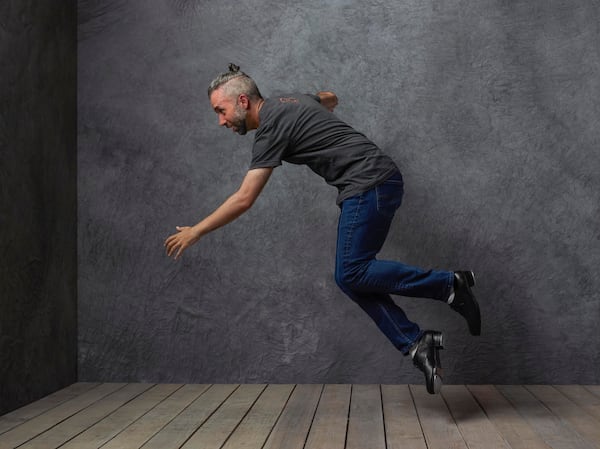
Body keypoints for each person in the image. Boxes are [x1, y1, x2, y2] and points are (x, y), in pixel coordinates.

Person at [164, 64, 481, 394]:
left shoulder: (271, 128)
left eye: (221, 110)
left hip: (368, 182)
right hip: (377, 181)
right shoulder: (290, 101)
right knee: (351, 277)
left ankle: (448, 285)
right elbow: (330, 98)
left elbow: (244, 198)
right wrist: (319, 104)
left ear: (243, 101)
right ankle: (418, 343)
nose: (221, 120)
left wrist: (196, 230)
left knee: (352, 273)